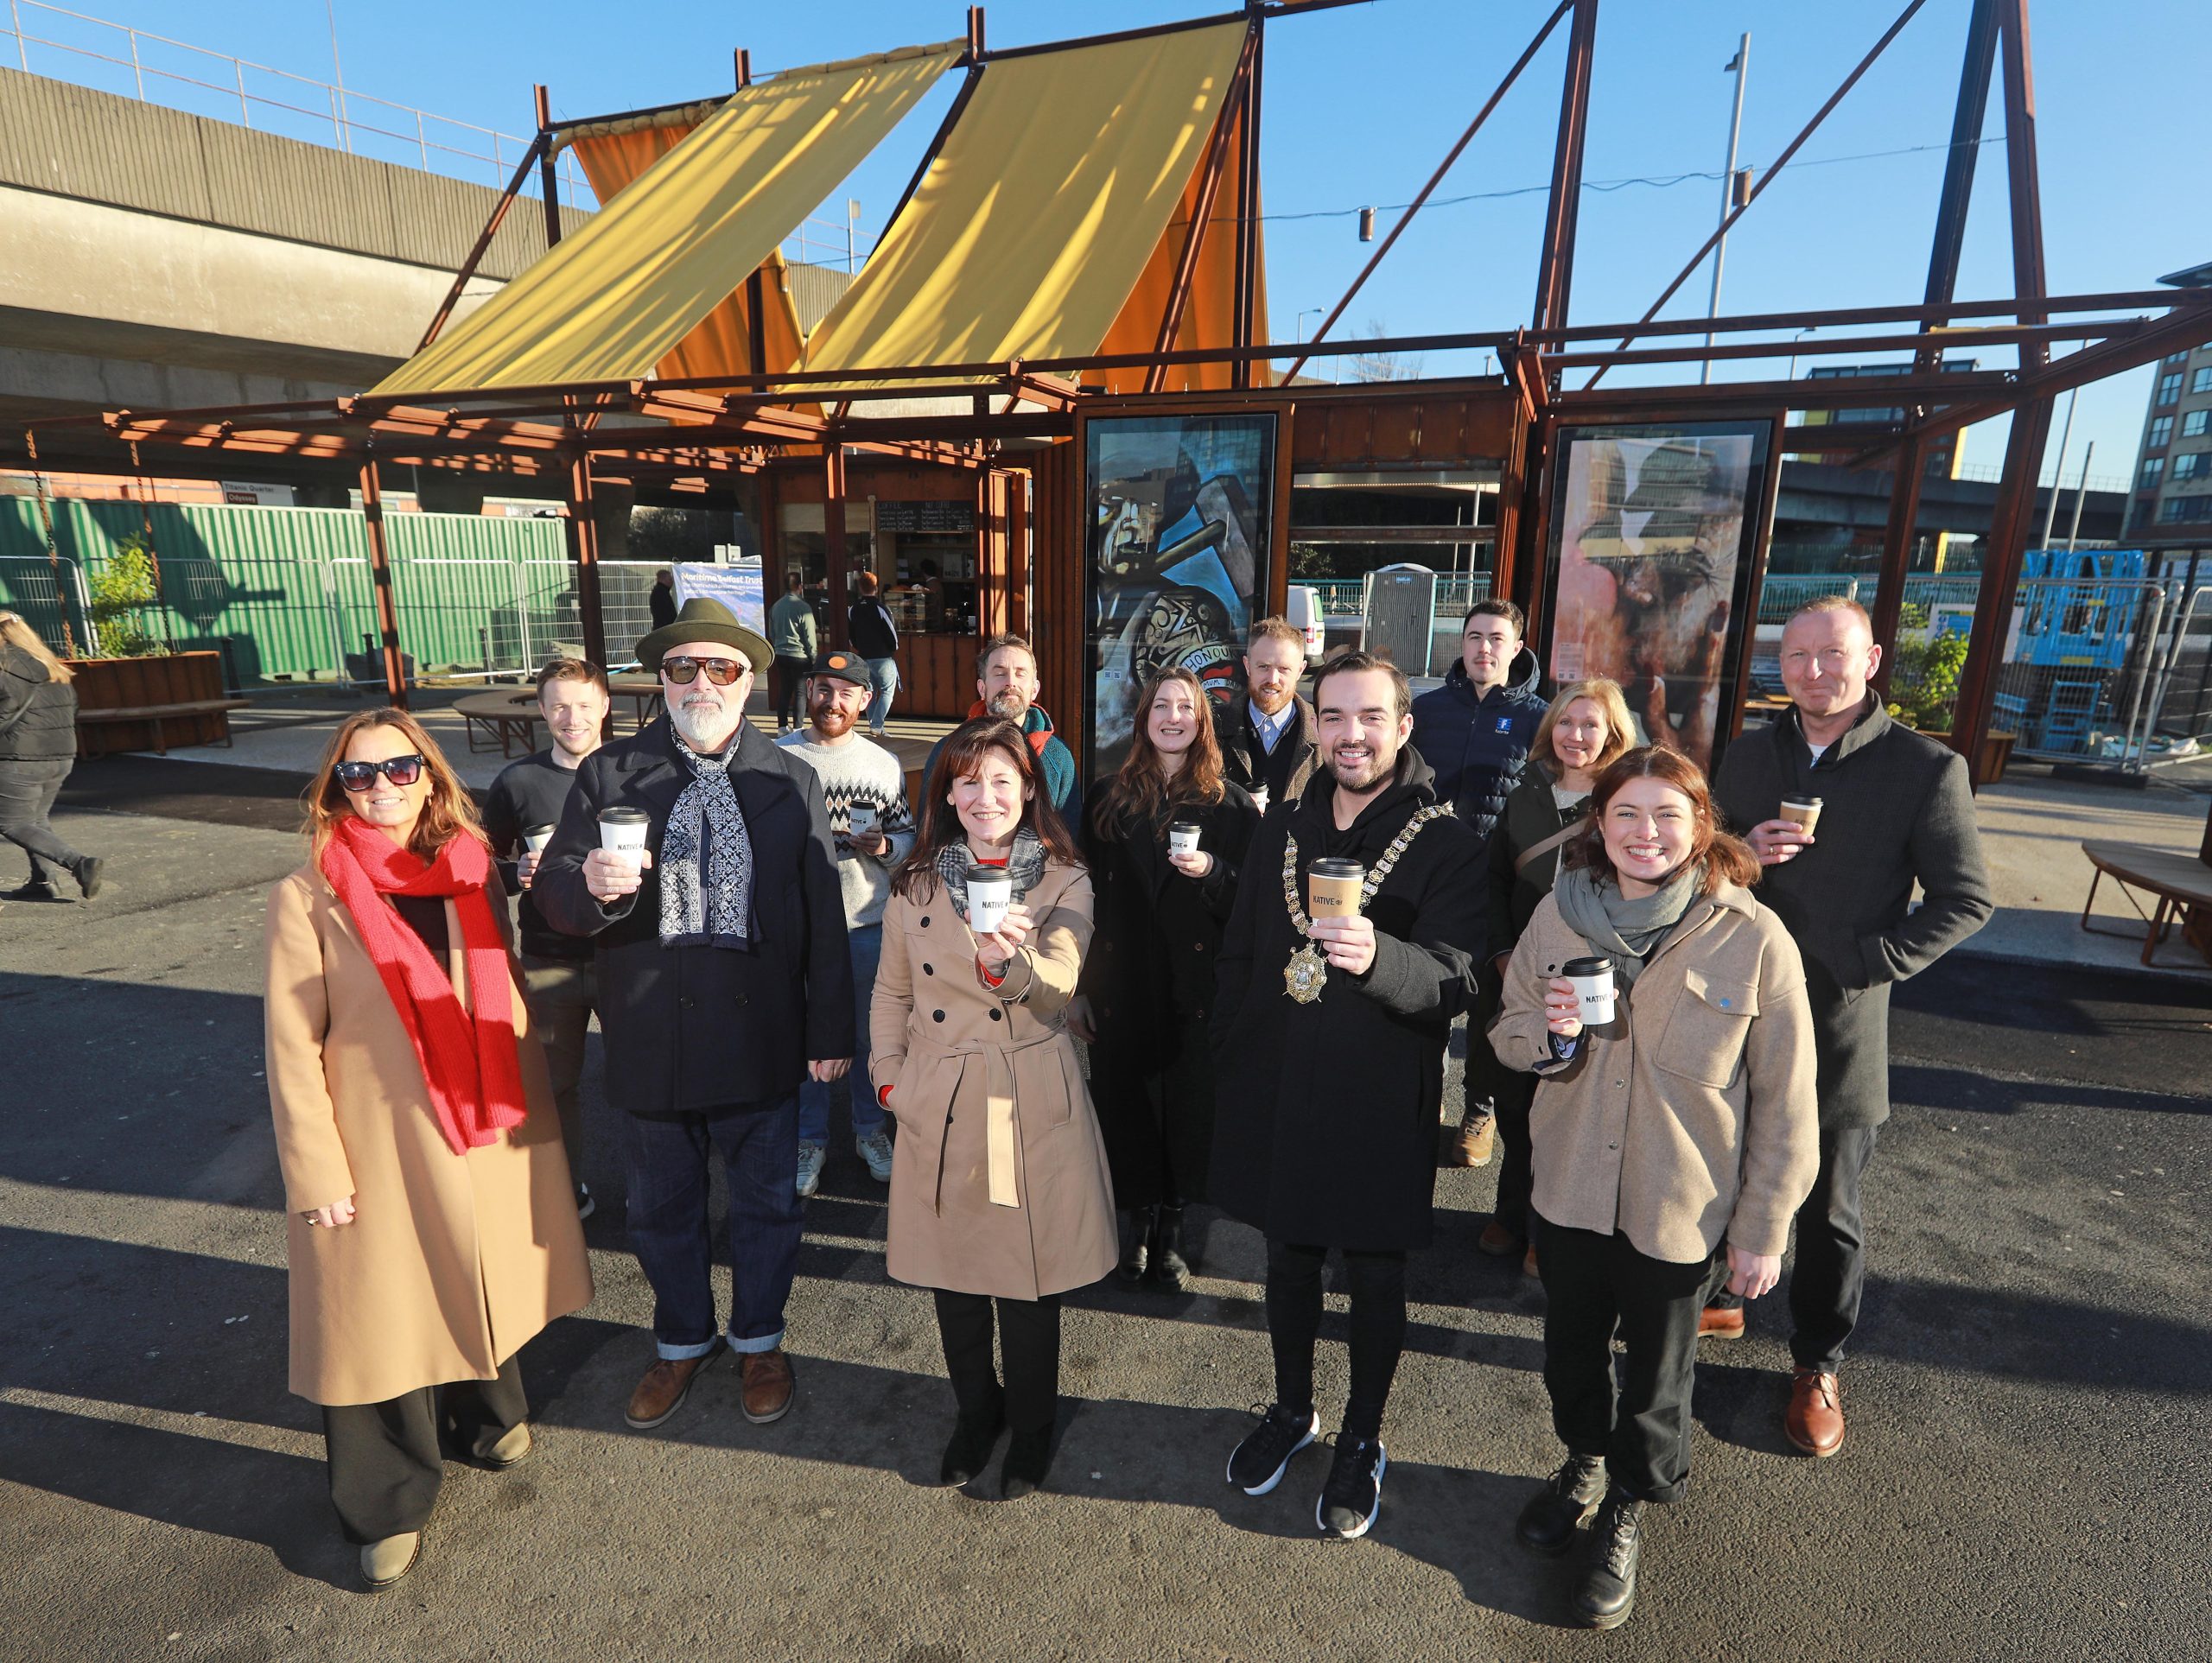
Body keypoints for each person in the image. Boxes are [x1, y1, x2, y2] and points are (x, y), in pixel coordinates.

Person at [1489, 746, 1817, 1630]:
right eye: (1625, 813)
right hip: (1569, 1190)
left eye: (1668, 814)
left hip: (1680, 1205)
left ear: (1701, 824)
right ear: (1597, 822)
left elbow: (1789, 1101)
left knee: (1658, 1377)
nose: (1645, 832)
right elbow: (1508, 1029)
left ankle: (1630, 1500)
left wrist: (1763, 1227)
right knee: (1570, 1352)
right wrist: (1552, 1035)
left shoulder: (1753, 937)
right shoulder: (1556, 914)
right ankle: (1584, 1461)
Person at [263, 709, 591, 1590]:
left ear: (430, 775)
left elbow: (502, 985)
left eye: (399, 768)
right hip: (376, 1139)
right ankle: (386, 1500)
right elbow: (291, 1046)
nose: (380, 787)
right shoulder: (309, 894)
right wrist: (316, 1167)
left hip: (480, 1123)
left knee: (477, 1269)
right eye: (358, 774)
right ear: (336, 789)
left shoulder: (469, 866)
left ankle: (487, 1417)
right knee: (378, 1314)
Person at [533, 597, 853, 1434]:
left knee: (766, 1207)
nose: (701, 681)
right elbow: (552, 892)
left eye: (721, 666)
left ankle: (759, 1339)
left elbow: (822, 916)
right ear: (663, 680)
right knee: (659, 1211)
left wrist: (830, 1031)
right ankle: (681, 1339)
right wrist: (589, 886)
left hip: (760, 1032)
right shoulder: (610, 773)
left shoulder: (791, 778)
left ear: (748, 681)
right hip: (652, 1033)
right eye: (683, 667)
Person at [1708, 595, 1991, 1455]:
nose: (1812, 671)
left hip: (1839, 1020)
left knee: (1829, 1205)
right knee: (1717, 1162)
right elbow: (1702, 857)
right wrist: (1740, 850)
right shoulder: (1747, 754)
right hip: (1733, 1007)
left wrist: (1869, 961)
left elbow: (1965, 899)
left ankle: (1816, 1362)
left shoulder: (1925, 768)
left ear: (1870, 661)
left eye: (1832, 654)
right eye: (1796, 655)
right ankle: (1723, 1293)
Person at [1211, 650, 1483, 1539]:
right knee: (1287, 1261)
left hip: (1379, 1095)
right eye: (1333, 716)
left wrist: (1380, 958)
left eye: (1370, 717)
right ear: (1315, 725)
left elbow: (1456, 979)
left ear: (1404, 726)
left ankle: (1363, 1434)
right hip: (1281, 1083)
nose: (1350, 735)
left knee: (1372, 1274)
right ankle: (1293, 1409)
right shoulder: (1282, 828)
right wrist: (1230, 1059)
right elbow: (1244, 953)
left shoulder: (1447, 843)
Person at [871, 718, 1115, 1499]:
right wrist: (890, 1081)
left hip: (1025, 1094)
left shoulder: (1063, 879)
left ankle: (1034, 1426)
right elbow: (892, 993)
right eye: (967, 780)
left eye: (1002, 779)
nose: (985, 796)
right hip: (937, 1096)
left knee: (1028, 1283)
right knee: (955, 1278)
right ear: (947, 793)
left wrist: (1009, 963)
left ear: (1029, 789)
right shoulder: (915, 882)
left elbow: (1060, 981)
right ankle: (977, 1413)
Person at [1073, 669, 1260, 1291]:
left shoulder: (1232, 805)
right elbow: (1082, 899)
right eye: (1161, 705)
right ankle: (1137, 1219)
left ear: (1202, 721)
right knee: (1126, 1105)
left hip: (1196, 987)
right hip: (1121, 983)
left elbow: (1253, 904)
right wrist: (1078, 988)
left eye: (1185, 707)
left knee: (1187, 1109)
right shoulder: (1107, 796)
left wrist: (1213, 871)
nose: (1173, 716)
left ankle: (1174, 1222)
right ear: (1144, 717)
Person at [1473, 678, 1637, 1269]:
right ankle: (1512, 1208)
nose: (1576, 735)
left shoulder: (1629, 797)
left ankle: (1551, 1231)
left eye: (1590, 724)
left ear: (1612, 733)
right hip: (1519, 971)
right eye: (1566, 722)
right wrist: (1501, 953)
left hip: (1594, 978)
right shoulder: (1524, 787)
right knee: (1516, 1095)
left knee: (1574, 1103)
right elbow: (1493, 878)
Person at [1409, 600, 1548, 1168]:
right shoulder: (1426, 709)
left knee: (1493, 997)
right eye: (1473, 636)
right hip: (1434, 875)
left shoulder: (1541, 718)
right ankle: (1423, 1097)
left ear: (1516, 648)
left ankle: (1479, 1108)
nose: (1483, 648)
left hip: (1500, 881)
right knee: (1429, 988)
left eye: (1495, 638)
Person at [777, 649, 917, 1197]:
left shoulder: (882, 764)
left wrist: (883, 846)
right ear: (809, 692)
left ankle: (869, 1129)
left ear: (866, 699)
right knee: (801, 1034)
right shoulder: (776, 756)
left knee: (870, 1035)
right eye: (823, 689)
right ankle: (808, 1138)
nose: (833, 701)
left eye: (846, 693)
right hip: (799, 928)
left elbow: (908, 841)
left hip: (865, 923)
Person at [481, 657, 611, 1216]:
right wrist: (517, 874)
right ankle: (565, 1192)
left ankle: (659, 1193)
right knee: (553, 1085)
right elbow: (481, 862)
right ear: (541, 709)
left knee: (647, 1084)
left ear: (605, 706)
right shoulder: (518, 782)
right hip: (549, 957)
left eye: (583, 705)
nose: (572, 717)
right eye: (559, 706)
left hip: (624, 955)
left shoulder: (634, 772)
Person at [0, 611, 102, 904]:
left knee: (11, 823)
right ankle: (43, 882)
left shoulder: (5, 667)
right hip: (60, 754)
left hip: (20, 758)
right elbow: (73, 707)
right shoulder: (50, 664)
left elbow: (3, 714)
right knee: (36, 819)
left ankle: (80, 863)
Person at [924, 633, 1081, 824]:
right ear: (982, 688)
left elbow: (1069, 835)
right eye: (1000, 674)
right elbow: (929, 829)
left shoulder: (1057, 756)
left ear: (1034, 689)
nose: (1010, 682)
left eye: (1020, 674)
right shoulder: (947, 751)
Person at [1212, 615, 1321, 809]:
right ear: (1247, 666)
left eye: (1284, 669)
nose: (1272, 679)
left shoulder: (1323, 730)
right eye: (1263, 667)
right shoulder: (1211, 726)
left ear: (1300, 670)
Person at [848, 570, 901, 738]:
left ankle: (875, 725)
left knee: (869, 692)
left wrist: (860, 647)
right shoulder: (881, 608)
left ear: (860, 588)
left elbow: (851, 635)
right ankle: (877, 725)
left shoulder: (853, 609)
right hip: (883, 657)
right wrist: (892, 648)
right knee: (887, 691)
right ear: (876, 588)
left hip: (864, 656)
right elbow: (891, 634)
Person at [768, 571, 818, 732]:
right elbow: (810, 636)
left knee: (784, 690)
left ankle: (782, 727)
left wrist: (777, 646)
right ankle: (798, 728)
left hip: (781, 653)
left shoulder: (776, 606)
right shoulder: (803, 607)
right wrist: (814, 656)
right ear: (800, 587)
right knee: (800, 692)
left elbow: (772, 633)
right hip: (800, 655)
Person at [649, 568, 679, 632]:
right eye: (670, 579)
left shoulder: (659, 591)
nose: (672, 581)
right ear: (663, 579)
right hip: (664, 629)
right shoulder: (661, 592)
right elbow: (666, 613)